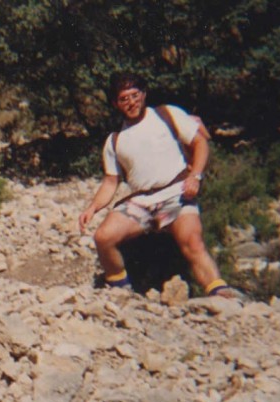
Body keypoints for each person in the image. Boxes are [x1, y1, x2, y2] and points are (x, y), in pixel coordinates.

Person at [77, 72, 241, 299]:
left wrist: (195, 177)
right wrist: (92, 208)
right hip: (142, 201)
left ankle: (218, 290)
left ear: (144, 94)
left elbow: (200, 142)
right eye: (124, 99)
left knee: (192, 241)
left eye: (135, 95)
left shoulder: (167, 114)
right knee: (104, 237)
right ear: (116, 104)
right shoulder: (114, 141)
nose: (132, 102)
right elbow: (110, 181)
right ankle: (119, 290)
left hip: (177, 193)